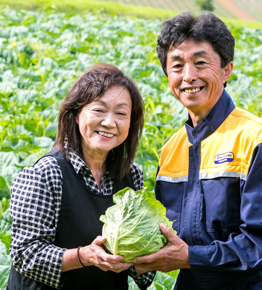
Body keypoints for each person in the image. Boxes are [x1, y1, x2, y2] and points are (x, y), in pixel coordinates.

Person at [132, 12, 262, 290]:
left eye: (200, 63)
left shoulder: (258, 139)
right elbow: (165, 233)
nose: (188, 76)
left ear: (226, 70)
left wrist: (189, 257)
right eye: (177, 65)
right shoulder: (171, 149)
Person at [7, 63, 155, 290]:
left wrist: (156, 249)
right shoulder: (45, 174)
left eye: (121, 113)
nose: (109, 122)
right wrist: (84, 257)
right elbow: (25, 255)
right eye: (99, 110)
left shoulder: (131, 175)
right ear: (76, 114)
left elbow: (140, 266)